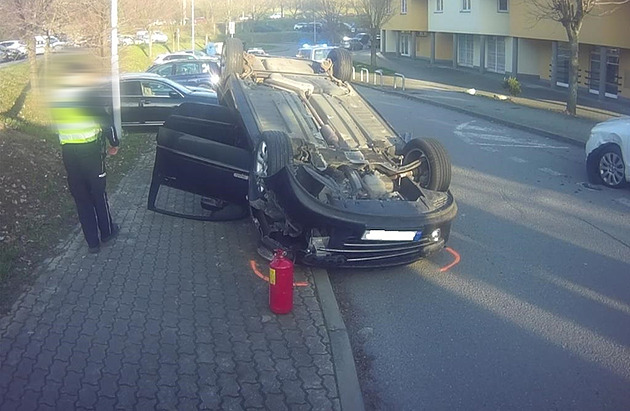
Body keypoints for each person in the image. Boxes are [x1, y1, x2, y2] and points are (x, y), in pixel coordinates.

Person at [47, 55, 120, 254]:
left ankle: (92, 244)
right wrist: (114, 143)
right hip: (90, 152)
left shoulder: (57, 98)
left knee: (81, 198)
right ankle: (107, 233)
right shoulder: (88, 94)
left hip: (69, 153)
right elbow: (106, 123)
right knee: (98, 194)